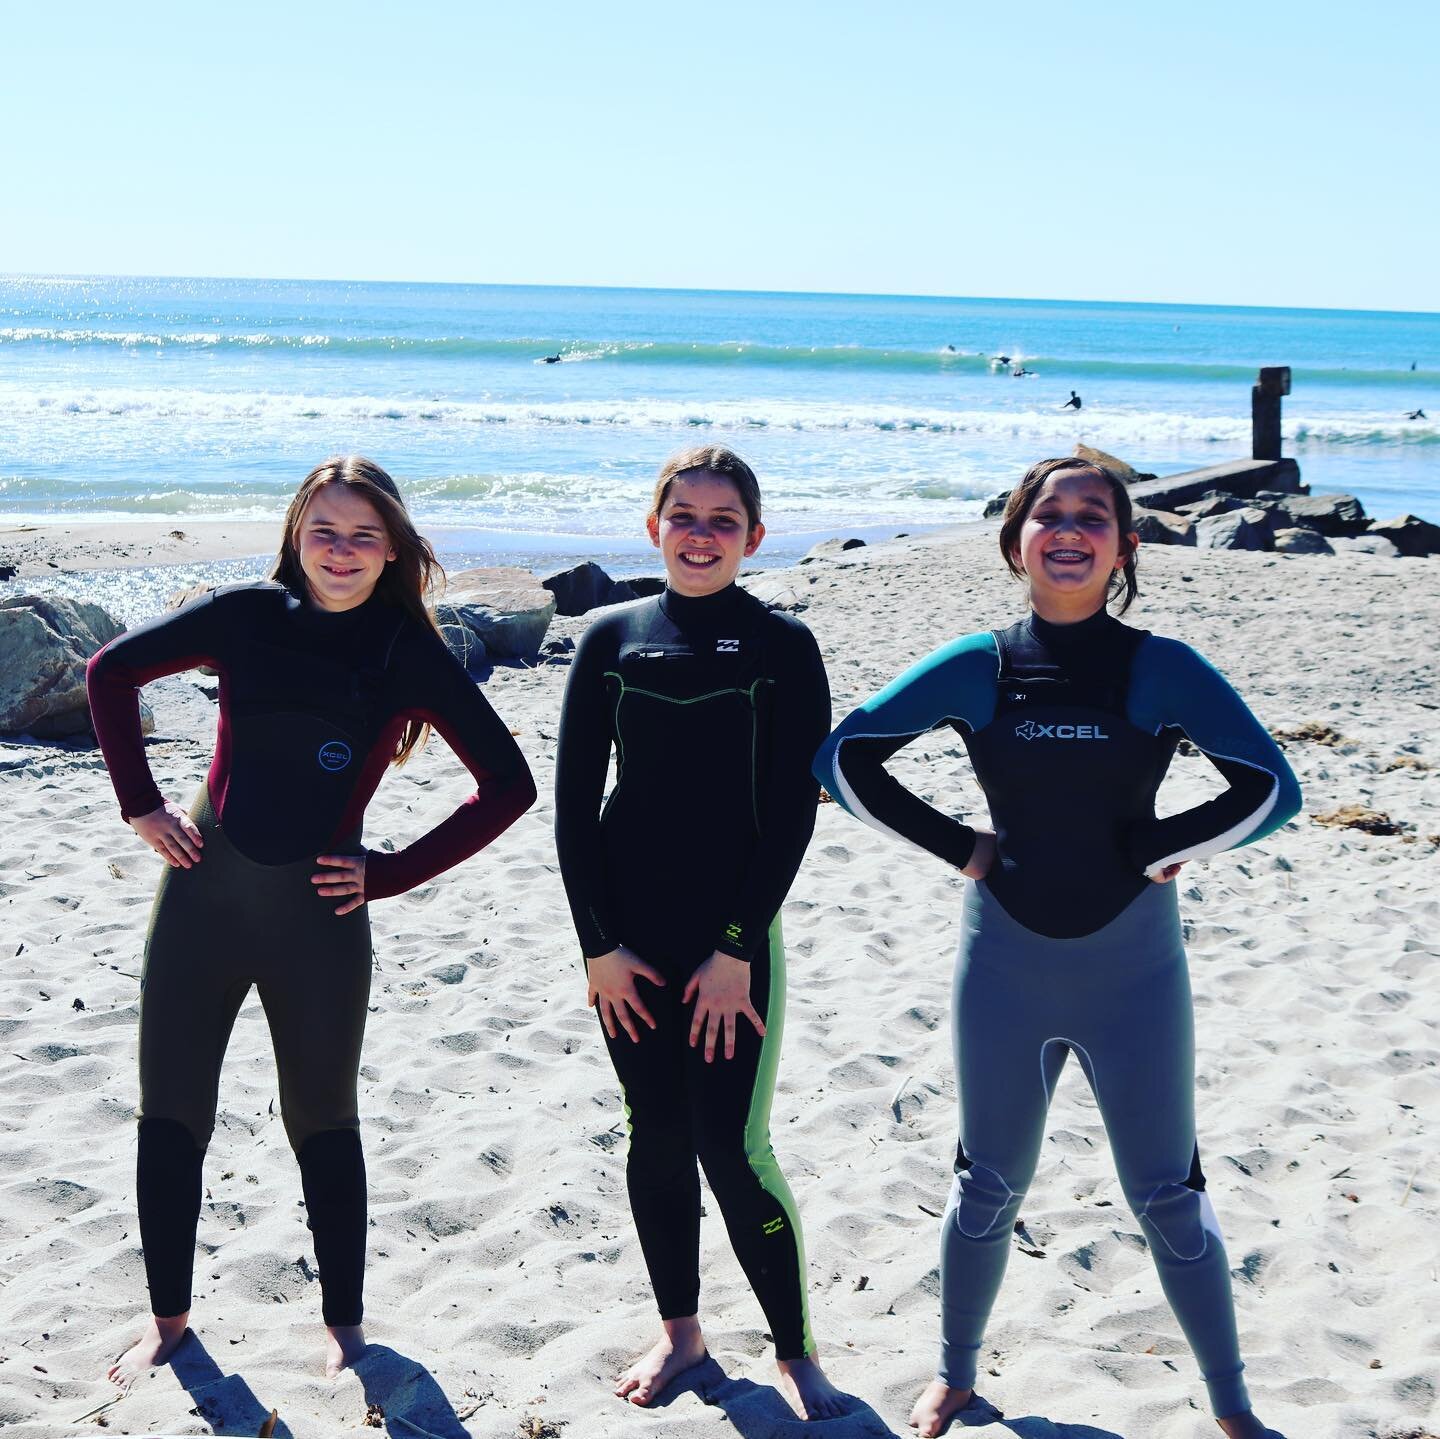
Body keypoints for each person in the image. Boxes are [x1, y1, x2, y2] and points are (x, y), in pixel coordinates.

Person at [814, 457, 1300, 1438]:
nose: (1068, 528)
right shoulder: (982, 664)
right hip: (1004, 966)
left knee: (1168, 1192)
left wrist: (1166, 843)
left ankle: (1235, 1403)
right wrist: (961, 845)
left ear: (1124, 546)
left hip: (1136, 974)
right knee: (986, 1183)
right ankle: (954, 1375)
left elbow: (1270, 788)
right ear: (1014, 539)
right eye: (1049, 513)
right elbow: (845, 757)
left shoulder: (1161, 666)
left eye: (1093, 515)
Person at [87, 456, 536, 1385]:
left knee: (323, 1119)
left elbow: (509, 785)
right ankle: (168, 1317)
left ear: (394, 550)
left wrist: (391, 872)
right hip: (202, 895)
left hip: (320, 918)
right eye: (324, 531)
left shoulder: (406, 653)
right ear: (296, 533)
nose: (341, 551)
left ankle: (343, 1326)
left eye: (364, 536)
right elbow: (109, 671)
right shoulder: (248, 614)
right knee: (171, 1112)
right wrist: (141, 802)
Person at [554, 445, 843, 1421]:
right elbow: (571, 811)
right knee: (657, 1136)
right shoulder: (611, 637)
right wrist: (598, 946)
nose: (703, 533)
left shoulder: (783, 646)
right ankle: (682, 1331)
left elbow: (792, 815)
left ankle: (797, 1352)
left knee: (732, 1145)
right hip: (626, 944)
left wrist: (733, 949)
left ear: (754, 537)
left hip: (732, 942)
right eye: (684, 514)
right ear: (653, 526)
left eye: (725, 519)